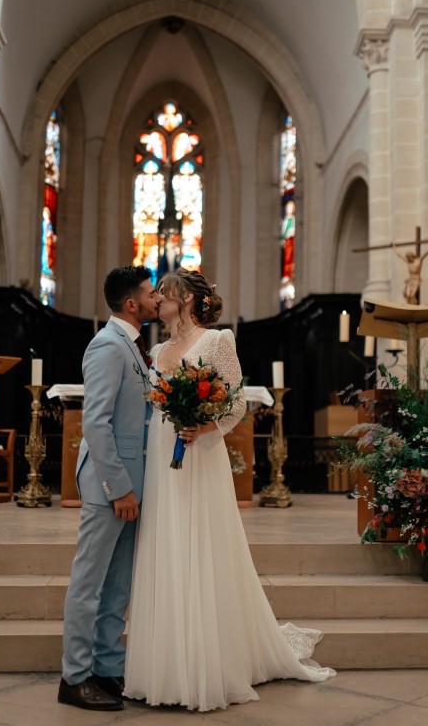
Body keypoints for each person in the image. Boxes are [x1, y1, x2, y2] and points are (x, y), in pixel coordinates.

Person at [124, 268, 335, 712]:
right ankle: (167, 663)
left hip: (199, 456)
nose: (156, 299)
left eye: (164, 292)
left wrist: (206, 426)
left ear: (184, 298)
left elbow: (236, 401)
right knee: (167, 547)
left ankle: (208, 663)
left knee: (200, 548)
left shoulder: (218, 341)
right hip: (163, 460)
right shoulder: (157, 349)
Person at [59, 266, 161, 712]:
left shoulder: (134, 348)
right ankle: (74, 676)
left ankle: (106, 667)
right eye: (151, 293)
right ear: (132, 304)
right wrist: (119, 488)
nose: (158, 299)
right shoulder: (106, 346)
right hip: (111, 487)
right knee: (89, 582)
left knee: (117, 585)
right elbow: (95, 423)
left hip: (133, 487)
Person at [393, 238, 428, 305]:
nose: (408, 259)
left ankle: (414, 307)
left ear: (412, 256)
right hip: (410, 280)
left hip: (416, 280)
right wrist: (394, 246)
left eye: (409, 258)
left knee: (412, 296)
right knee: (408, 295)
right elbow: (399, 254)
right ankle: (411, 307)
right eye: (407, 258)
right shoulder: (408, 262)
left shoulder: (419, 261)